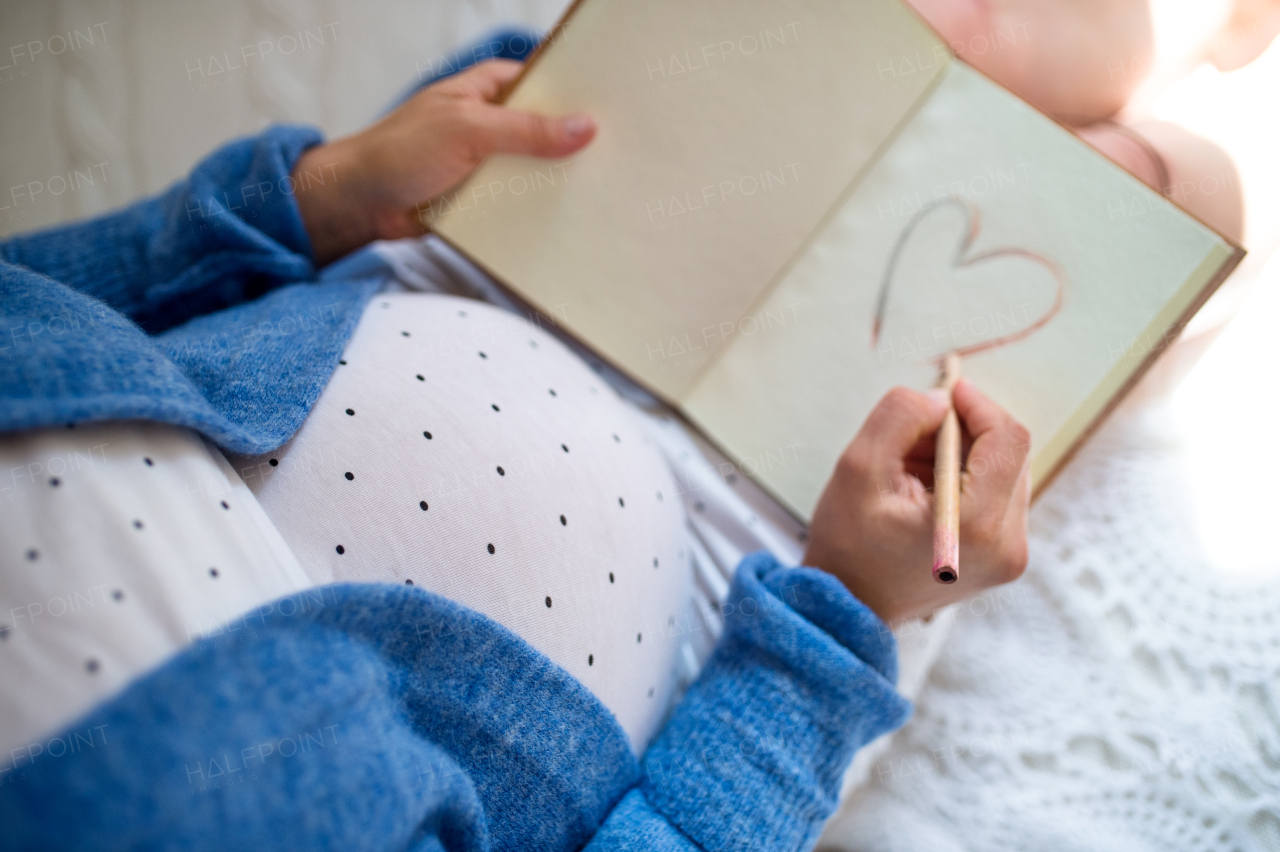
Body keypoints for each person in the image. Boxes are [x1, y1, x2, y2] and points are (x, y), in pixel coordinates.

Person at [0, 29, 1033, 852]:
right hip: (754, 595)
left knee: (737, 85)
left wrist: (317, 197)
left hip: (432, 268)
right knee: (1163, 181)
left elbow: (30, 302)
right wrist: (838, 622)